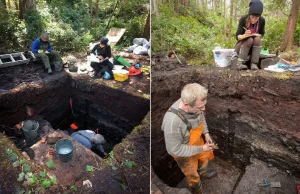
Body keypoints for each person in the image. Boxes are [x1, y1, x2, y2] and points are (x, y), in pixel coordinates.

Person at [162, 83, 217, 194]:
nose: (204, 108)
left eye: (204, 105)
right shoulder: (173, 123)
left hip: (198, 143)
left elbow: (201, 116)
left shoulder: (195, 106)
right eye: (200, 107)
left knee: (204, 159)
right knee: (193, 176)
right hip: (183, 153)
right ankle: (198, 191)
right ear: (186, 105)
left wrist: (206, 133)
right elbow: (174, 149)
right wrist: (202, 148)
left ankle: (204, 174)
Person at [234, 0, 265, 70]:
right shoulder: (243, 19)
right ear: (249, 15)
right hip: (241, 47)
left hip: (253, 49)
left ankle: (254, 64)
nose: (254, 20)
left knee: (257, 39)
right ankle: (240, 63)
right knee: (249, 39)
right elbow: (237, 36)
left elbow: (262, 34)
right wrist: (244, 35)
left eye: (256, 18)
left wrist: (257, 34)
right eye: (252, 17)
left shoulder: (262, 20)